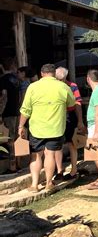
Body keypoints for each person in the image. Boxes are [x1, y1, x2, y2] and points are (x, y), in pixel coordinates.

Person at [18, 64, 76, 192]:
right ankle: (49, 183)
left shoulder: (32, 87)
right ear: (54, 74)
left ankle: (34, 185)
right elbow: (72, 104)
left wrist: (21, 126)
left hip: (37, 128)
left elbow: (25, 110)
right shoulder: (63, 86)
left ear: (42, 73)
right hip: (56, 128)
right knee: (50, 154)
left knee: (36, 156)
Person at [54, 67, 85, 181]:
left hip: (69, 116)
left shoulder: (72, 86)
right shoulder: (52, 86)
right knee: (57, 144)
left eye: (61, 79)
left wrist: (80, 120)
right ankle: (59, 170)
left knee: (72, 143)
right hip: (56, 117)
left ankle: (74, 169)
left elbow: (77, 103)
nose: (59, 80)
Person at [0, 57, 20, 173]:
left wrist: (0, 112)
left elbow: (4, 97)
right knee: (14, 138)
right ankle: (17, 164)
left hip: (7, 113)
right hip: (16, 111)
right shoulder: (16, 79)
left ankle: (12, 167)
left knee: (9, 139)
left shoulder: (3, 80)